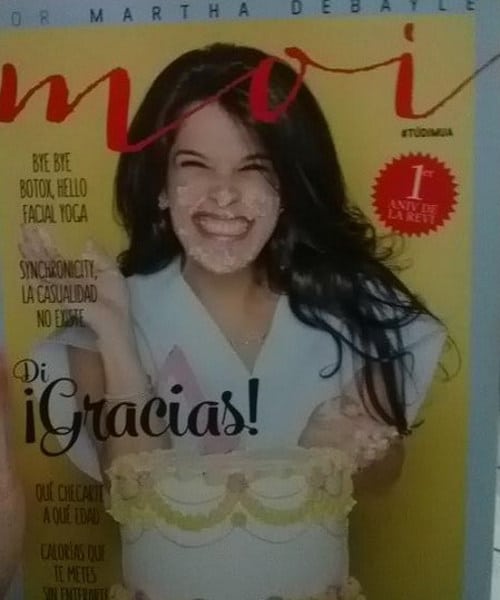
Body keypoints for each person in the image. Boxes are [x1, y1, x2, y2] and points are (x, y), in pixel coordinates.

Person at [22, 43, 445, 599]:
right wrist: (116, 337)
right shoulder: (106, 316)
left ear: (288, 187)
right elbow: (129, 497)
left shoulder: (359, 307)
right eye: (194, 166)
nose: (224, 194)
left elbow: (385, 476)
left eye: (254, 168)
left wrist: (353, 449)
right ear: (158, 185)